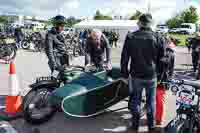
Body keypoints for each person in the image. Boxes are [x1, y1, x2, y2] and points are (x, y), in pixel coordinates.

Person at [120, 14, 165, 133]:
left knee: (136, 100)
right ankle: (151, 126)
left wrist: (124, 74)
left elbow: (124, 57)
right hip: (151, 75)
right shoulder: (158, 36)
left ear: (140, 23)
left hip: (136, 75)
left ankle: (135, 126)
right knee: (151, 101)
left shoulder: (131, 36)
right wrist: (160, 75)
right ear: (150, 24)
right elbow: (163, 59)